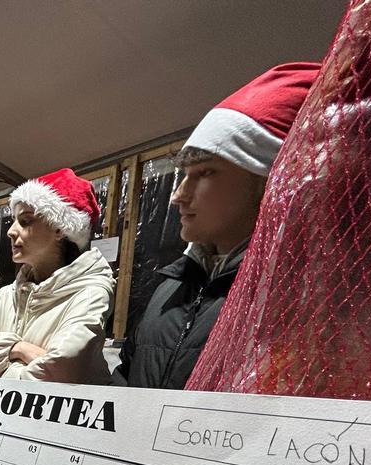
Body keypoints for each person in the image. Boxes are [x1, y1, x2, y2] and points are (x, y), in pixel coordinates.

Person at [114, 62, 320, 389]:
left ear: (268, 180)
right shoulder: (171, 284)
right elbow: (126, 372)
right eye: (183, 176)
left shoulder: (297, 298)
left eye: (205, 173)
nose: (178, 196)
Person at [0, 169, 115, 383]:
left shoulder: (89, 294)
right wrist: (17, 349)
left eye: (25, 221)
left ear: (59, 229)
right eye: (14, 221)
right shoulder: (7, 296)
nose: (11, 231)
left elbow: (58, 375)